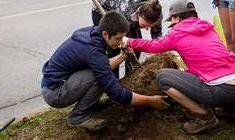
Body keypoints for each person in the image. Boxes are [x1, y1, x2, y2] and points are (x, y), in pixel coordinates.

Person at [121, 0, 235, 134]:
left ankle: (206, 118)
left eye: (172, 19)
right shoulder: (207, 28)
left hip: (224, 90)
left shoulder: (177, 33)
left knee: (163, 77)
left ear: (177, 18)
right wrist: (185, 73)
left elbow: (153, 46)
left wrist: (128, 41)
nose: (171, 23)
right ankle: (228, 109)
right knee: (211, 75)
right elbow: (206, 61)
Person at [41, 11, 170, 131]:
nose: (121, 43)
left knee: (100, 73)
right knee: (100, 78)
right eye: (118, 38)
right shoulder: (93, 51)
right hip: (55, 92)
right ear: (105, 34)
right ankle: (77, 117)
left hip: (56, 81)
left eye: (123, 38)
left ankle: (89, 105)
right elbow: (116, 93)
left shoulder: (92, 33)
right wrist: (150, 100)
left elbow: (102, 65)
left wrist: (122, 56)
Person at [92, 0, 163, 77]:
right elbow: (122, 36)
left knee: (136, 46)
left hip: (130, 16)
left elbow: (158, 37)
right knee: (114, 47)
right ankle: (113, 78)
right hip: (103, 8)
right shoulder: (126, 8)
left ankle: (131, 76)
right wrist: (126, 46)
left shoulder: (156, 14)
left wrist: (160, 52)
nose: (147, 29)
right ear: (138, 13)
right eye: (144, 25)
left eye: (150, 26)